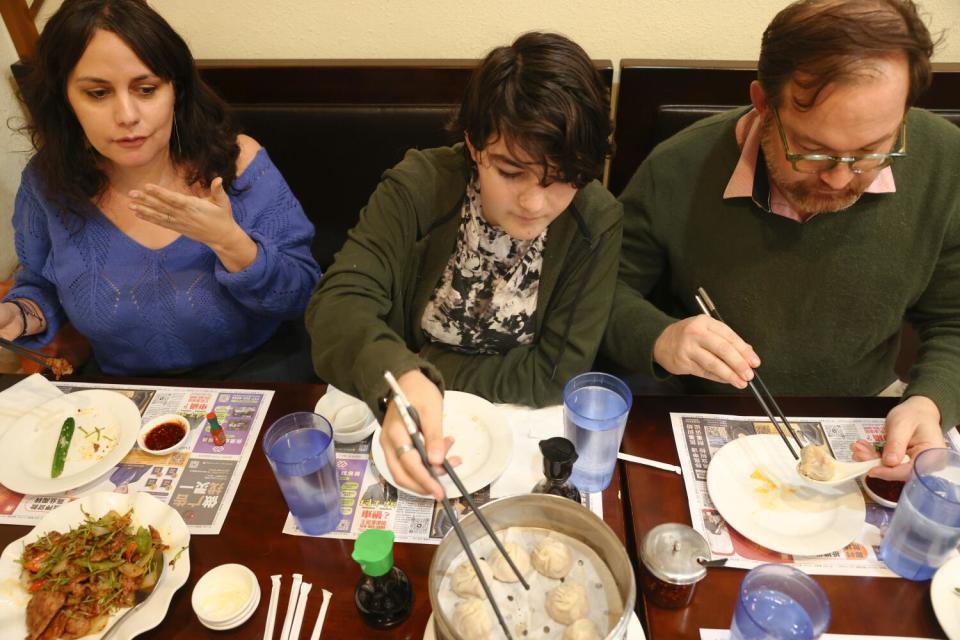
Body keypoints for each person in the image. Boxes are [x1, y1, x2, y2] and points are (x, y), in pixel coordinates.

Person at [602, 0, 957, 480]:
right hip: (703, 413)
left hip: (865, 412)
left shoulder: (943, 161)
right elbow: (600, 292)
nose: (838, 179)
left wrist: (931, 399)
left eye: (872, 151)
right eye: (812, 152)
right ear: (763, 102)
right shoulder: (679, 167)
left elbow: (953, 318)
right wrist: (660, 337)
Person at [307, 32, 621, 498]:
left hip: (517, 430)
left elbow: (553, 374)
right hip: (402, 416)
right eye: (511, 172)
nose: (535, 203)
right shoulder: (418, 186)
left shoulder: (595, 221)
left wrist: (420, 365)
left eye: (562, 179)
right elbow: (336, 305)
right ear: (475, 146)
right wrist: (403, 380)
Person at [0, 0, 320, 380]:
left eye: (147, 89)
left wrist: (230, 242)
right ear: (66, 100)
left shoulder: (237, 163)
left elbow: (304, 295)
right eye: (98, 93)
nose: (127, 116)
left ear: (176, 91)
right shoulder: (48, 181)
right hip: (123, 395)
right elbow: (42, 285)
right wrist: (18, 315)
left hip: (257, 374)